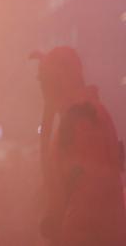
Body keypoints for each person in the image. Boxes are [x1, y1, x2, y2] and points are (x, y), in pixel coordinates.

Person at [33, 46, 126, 246]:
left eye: (47, 82)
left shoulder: (82, 119)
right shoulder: (78, 115)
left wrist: (63, 233)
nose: (44, 89)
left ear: (61, 80)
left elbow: (90, 197)